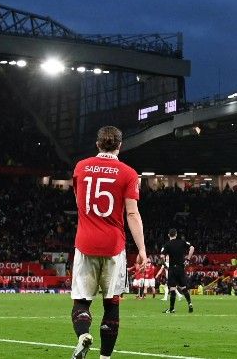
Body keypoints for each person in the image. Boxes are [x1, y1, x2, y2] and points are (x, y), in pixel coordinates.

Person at [69, 126, 147, 359]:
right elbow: (132, 214)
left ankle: (83, 336)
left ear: (97, 144)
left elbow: (79, 202)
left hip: (85, 243)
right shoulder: (129, 173)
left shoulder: (81, 167)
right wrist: (142, 249)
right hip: (114, 246)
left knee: (81, 302)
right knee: (111, 304)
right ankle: (105, 357)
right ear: (120, 146)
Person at [161, 229, 194, 314]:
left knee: (172, 289)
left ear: (169, 235)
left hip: (172, 269)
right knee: (183, 288)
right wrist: (188, 259)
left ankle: (172, 309)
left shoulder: (167, 244)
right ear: (176, 234)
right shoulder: (182, 242)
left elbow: (161, 256)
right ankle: (190, 303)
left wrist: (164, 264)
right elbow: (192, 248)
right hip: (181, 268)